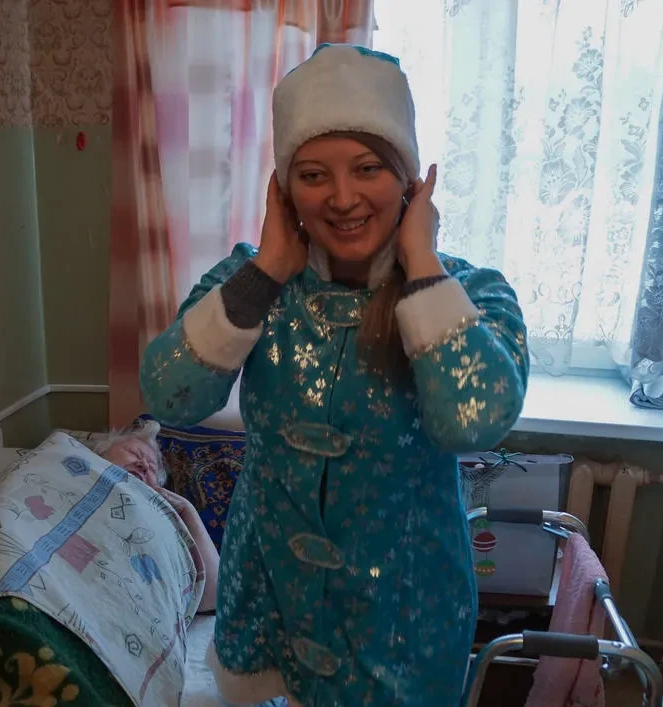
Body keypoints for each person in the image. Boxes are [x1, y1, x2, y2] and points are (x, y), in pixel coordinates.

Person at [140, 44, 529, 706]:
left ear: (408, 179)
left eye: (369, 168)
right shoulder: (251, 281)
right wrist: (266, 271)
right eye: (314, 174)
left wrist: (422, 266)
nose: (343, 198)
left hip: (404, 619)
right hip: (270, 603)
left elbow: (473, 423)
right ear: (284, 188)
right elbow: (169, 395)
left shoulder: (471, 293)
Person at [99, 424, 222, 613]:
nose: (144, 465)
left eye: (152, 469)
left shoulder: (164, 520)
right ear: (100, 455)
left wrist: (188, 512)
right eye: (134, 453)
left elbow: (212, 597)